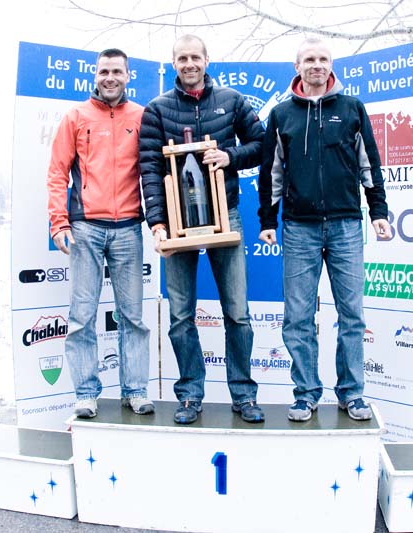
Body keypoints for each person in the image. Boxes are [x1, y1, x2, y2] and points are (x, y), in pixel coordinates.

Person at [257, 38, 392, 422]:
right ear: (297, 67)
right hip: (299, 228)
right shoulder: (282, 114)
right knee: (297, 318)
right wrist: (267, 220)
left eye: (323, 59)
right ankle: (306, 394)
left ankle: (352, 394)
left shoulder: (351, 108)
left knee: (352, 315)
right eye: (309, 59)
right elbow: (271, 172)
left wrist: (378, 210)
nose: (316, 65)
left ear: (331, 65)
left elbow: (369, 164)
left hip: (346, 224)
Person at [140, 34, 265, 425]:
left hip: (226, 215)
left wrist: (229, 156)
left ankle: (244, 395)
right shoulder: (157, 109)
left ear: (207, 60)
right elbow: (149, 168)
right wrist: (157, 222)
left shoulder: (231, 100)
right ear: (173, 63)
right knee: (180, 315)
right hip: (176, 224)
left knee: (238, 313)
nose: (189, 63)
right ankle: (190, 395)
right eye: (182, 58)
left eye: (195, 56)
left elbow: (262, 144)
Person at [47, 48, 154, 419]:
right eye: (104, 71)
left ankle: (135, 390)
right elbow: (57, 172)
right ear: (95, 75)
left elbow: (154, 170)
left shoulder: (141, 116)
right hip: (86, 228)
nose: (110, 77)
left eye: (117, 71)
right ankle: (85, 394)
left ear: (128, 76)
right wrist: (58, 221)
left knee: (133, 318)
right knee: (81, 317)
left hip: (128, 228)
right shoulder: (76, 116)